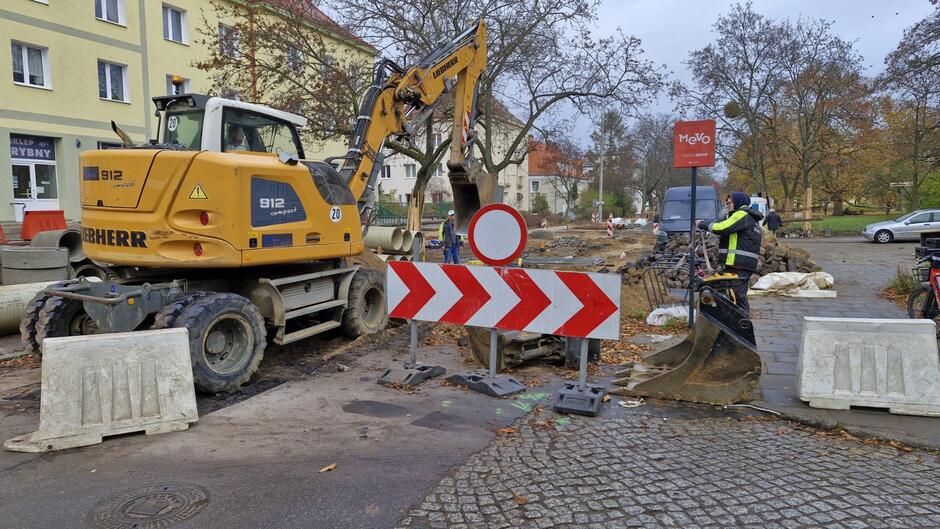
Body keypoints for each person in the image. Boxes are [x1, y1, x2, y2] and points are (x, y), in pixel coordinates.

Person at [697, 191, 763, 314]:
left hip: (738, 265)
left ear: (738, 202)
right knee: (737, 296)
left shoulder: (741, 215)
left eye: (729, 202)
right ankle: (739, 324)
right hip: (740, 264)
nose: (727, 205)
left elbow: (721, 228)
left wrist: (702, 224)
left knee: (738, 296)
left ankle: (741, 326)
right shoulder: (750, 218)